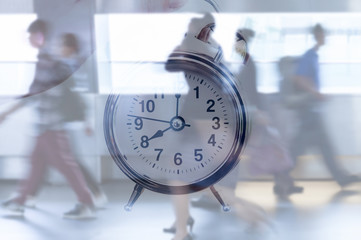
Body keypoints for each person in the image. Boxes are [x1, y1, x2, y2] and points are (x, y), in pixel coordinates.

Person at [0, 19, 96, 219]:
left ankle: (86, 202)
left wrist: (6, 113)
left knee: (66, 165)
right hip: (45, 124)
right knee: (36, 162)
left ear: (39, 36)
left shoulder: (48, 62)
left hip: (51, 125)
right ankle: (20, 201)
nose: (29, 40)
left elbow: (36, 94)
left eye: (31, 36)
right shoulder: (47, 60)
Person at [287, 24, 360, 188]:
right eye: (323, 35)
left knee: (321, 147)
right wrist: (316, 93)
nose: (325, 38)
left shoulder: (313, 56)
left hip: (311, 112)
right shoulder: (309, 56)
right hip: (308, 113)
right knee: (299, 149)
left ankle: (342, 178)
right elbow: (298, 78)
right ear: (318, 35)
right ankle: (282, 176)